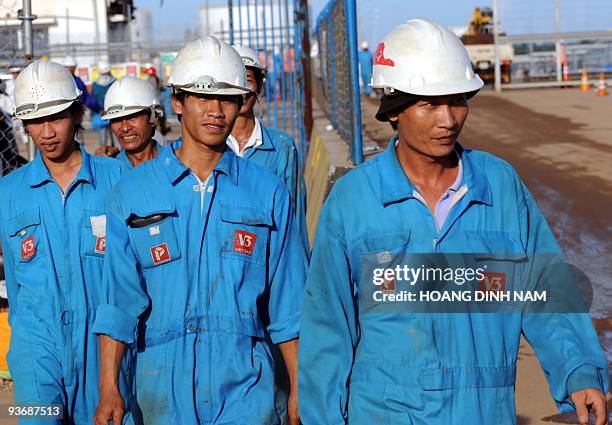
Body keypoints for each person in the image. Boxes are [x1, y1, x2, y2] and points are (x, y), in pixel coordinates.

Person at [298, 19, 609, 425]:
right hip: (382, 413)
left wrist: (578, 372)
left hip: (483, 411)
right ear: (393, 110)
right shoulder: (354, 201)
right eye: (429, 104)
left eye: (457, 100)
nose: (447, 119)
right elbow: (328, 328)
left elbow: (545, 292)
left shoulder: (499, 187)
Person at [93, 36, 306, 425]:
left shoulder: (266, 192)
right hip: (161, 386)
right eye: (202, 98)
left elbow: (288, 304)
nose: (215, 111)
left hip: (245, 383)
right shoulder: (132, 193)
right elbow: (118, 303)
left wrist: (298, 387)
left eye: (227, 98)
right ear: (177, 103)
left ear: (241, 103)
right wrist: (109, 387)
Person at [0, 60, 126, 424]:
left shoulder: (117, 179)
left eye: (56, 117)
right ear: (24, 124)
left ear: (76, 114)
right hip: (35, 348)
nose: (47, 132)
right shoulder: (8, 194)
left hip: (104, 343)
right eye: (36, 121)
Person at [230, 45, 309, 256]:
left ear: (259, 87)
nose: (242, 89)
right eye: (234, 81)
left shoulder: (282, 146)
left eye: (248, 80)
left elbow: (294, 214)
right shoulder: (211, 147)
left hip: (269, 256)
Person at [95, 76, 164, 168]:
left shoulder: (174, 164)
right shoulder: (109, 170)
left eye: (133, 117)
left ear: (154, 118)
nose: (125, 128)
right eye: (116, 119)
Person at [91, 62, 116, 147]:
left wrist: (94, 113)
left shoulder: (95, 85)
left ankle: (105, 155)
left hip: (103, 113)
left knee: (105, 137)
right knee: (114, 136)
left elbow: (93, 101)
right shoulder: (114, 82)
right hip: (113, 112)